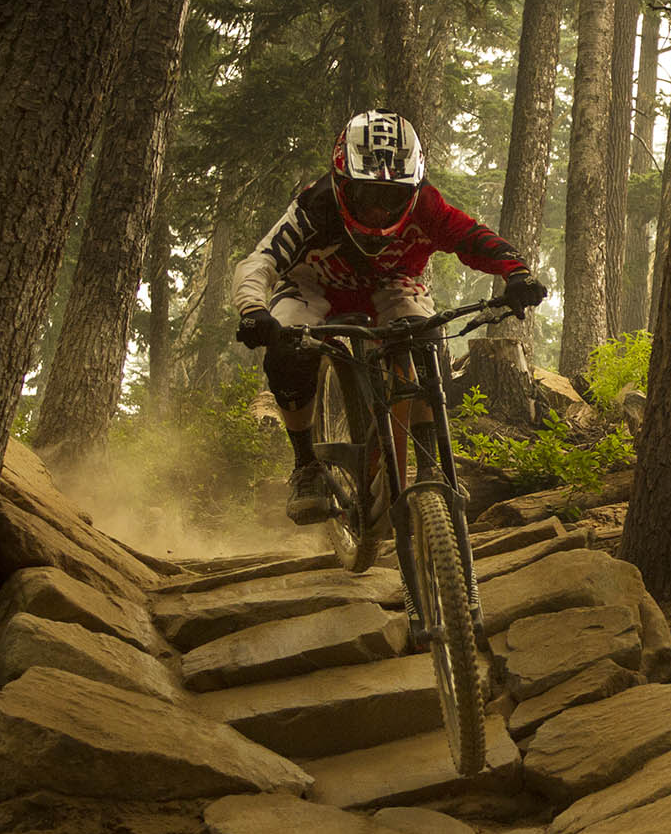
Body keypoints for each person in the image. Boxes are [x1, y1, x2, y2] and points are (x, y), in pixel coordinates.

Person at [233, 109, 548, 523]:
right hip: (312, 284)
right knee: (287, 354)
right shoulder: (315, 206)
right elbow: (260, 263)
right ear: (342, 184)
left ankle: (431, 464)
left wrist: (517, 272)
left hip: (392, 282)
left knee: (425, 341)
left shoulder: (427, 206)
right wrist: (253, 309)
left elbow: (472, 237)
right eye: (368, 196)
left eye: (393, 197)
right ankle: (306, 466)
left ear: (413, 189)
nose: (380, 212)